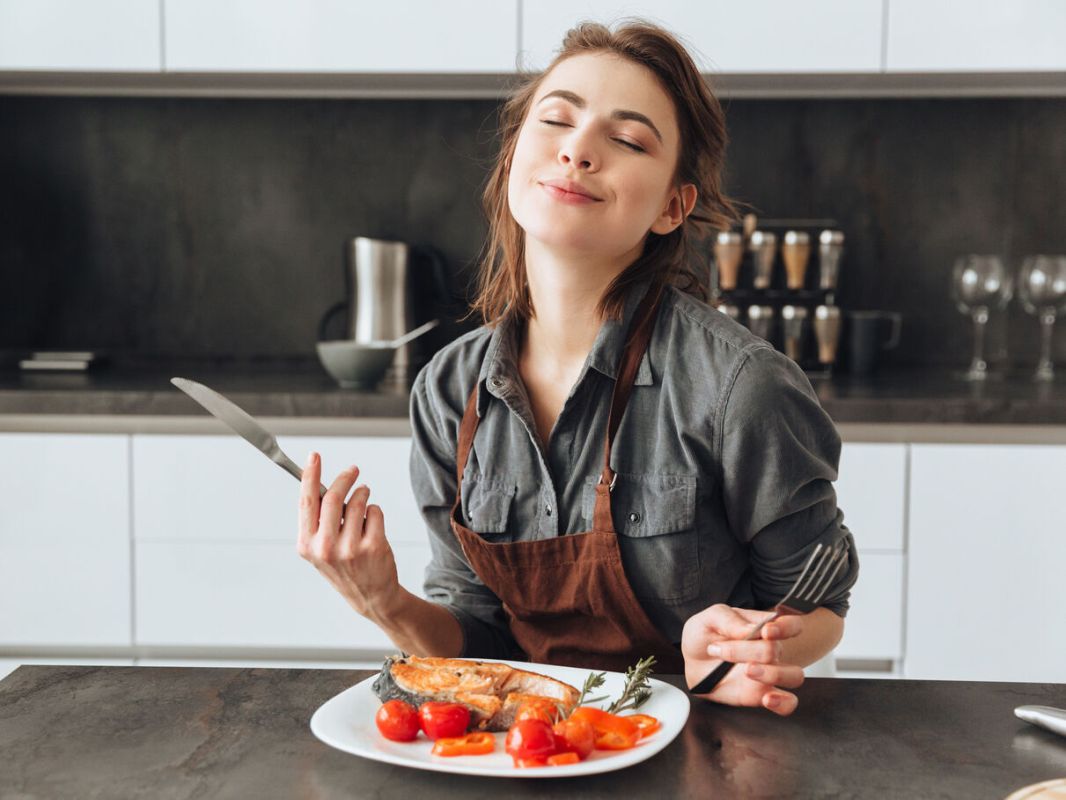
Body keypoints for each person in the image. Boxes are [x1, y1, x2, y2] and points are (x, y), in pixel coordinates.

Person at [297, 19, 859, 717]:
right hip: (524, 753)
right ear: (512, 160)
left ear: (671, 207)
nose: (577, 150)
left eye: (626, 140)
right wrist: (383, 601)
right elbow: (473, 644)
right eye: (556, 120)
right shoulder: (448, 392)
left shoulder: (741, 388)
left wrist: (751, 646)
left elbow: (820, 606)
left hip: (704, 747)